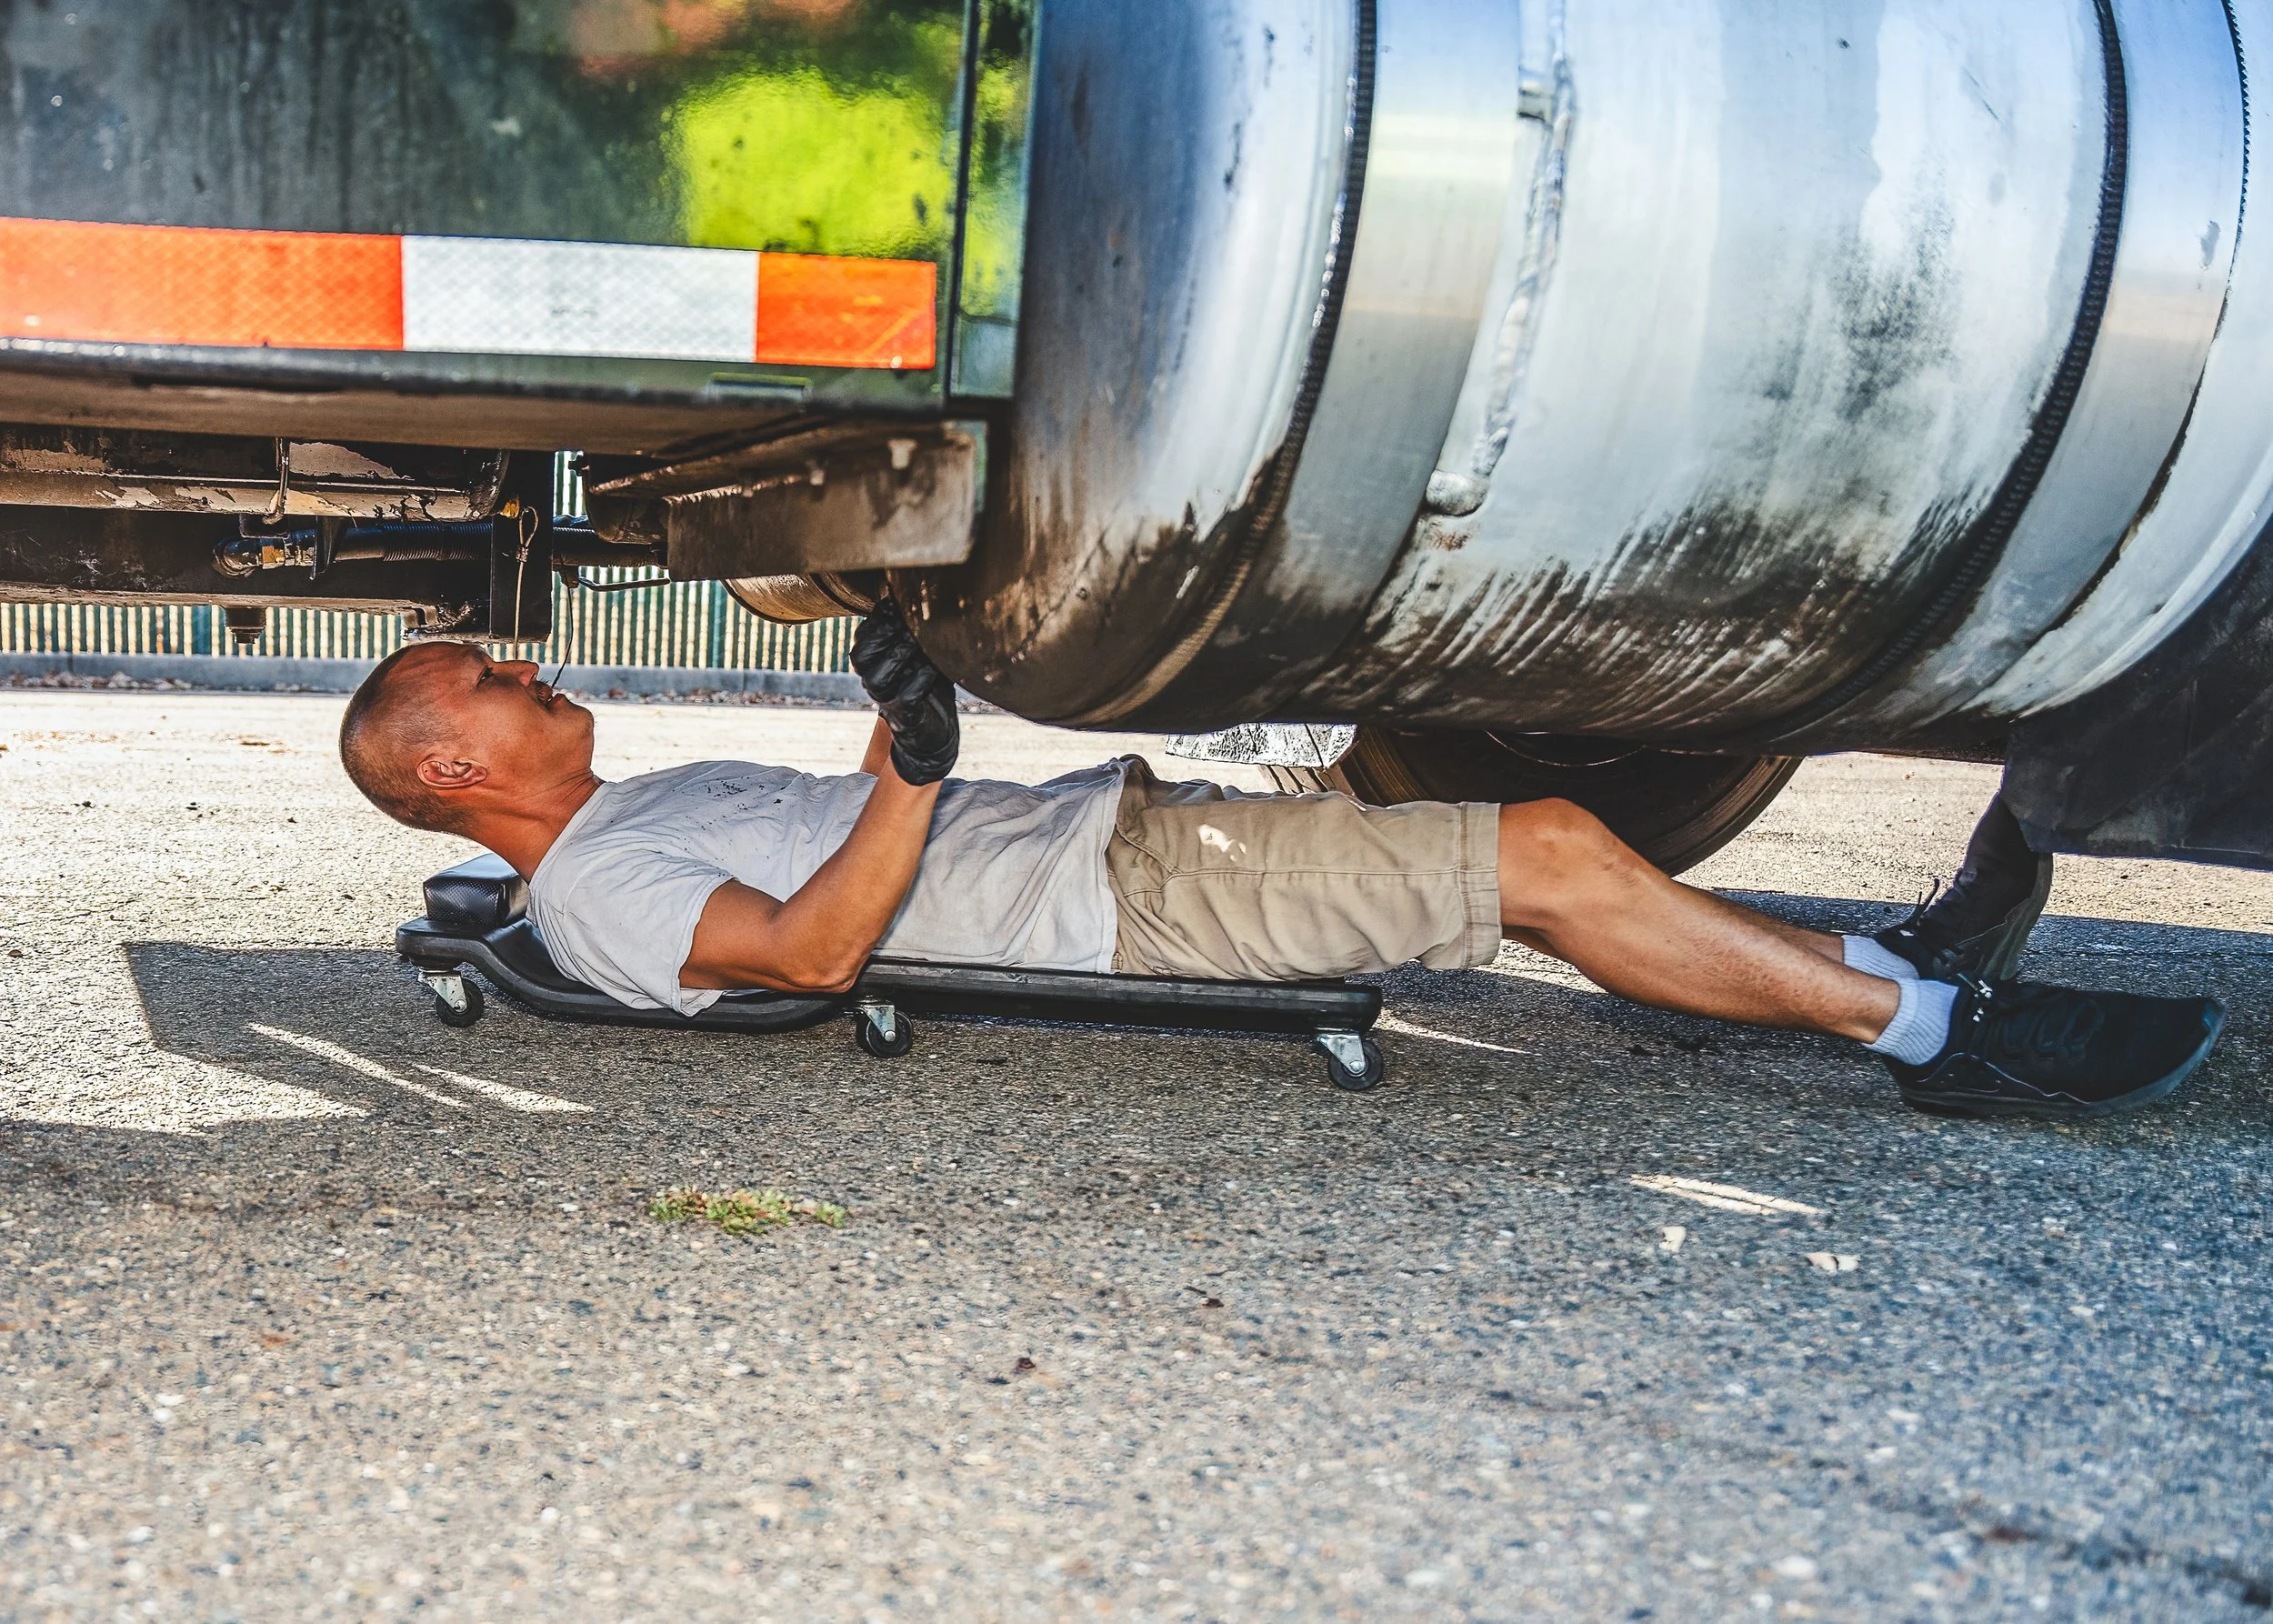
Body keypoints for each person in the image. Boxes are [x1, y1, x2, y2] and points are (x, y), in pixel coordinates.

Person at [337, 604, 2224, 1122]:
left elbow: (850, 830)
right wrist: (917, 769)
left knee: (1519, 827)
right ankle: (1933, 1031)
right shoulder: (592, 890)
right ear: (443, 765)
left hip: (1139, 835)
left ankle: (1898, 956)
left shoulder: (629, 806)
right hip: (1135, 903)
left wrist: (899, 696)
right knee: (1551, 852)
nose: (524, 667)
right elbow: (817, 951)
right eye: (483, 680)